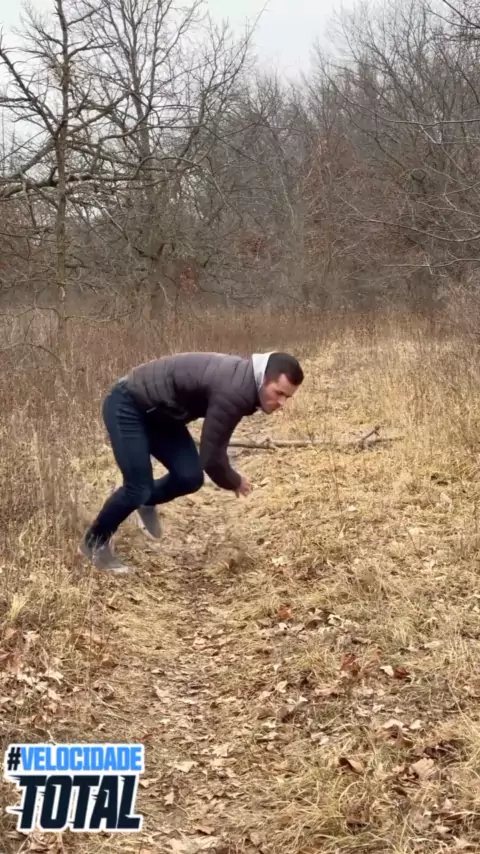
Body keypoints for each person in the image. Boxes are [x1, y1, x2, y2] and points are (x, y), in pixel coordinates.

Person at [79, 350, 304, 573]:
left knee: (189, 477)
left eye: (287, 397)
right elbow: (212, 456)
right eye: (279, 393)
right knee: (137, 487)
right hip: (128, 404)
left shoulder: (247, 383)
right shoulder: (236, 390)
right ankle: (94, 542)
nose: (282, 403)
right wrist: (234, 481)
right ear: (263, 378)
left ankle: (145, 501)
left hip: (162, 416)